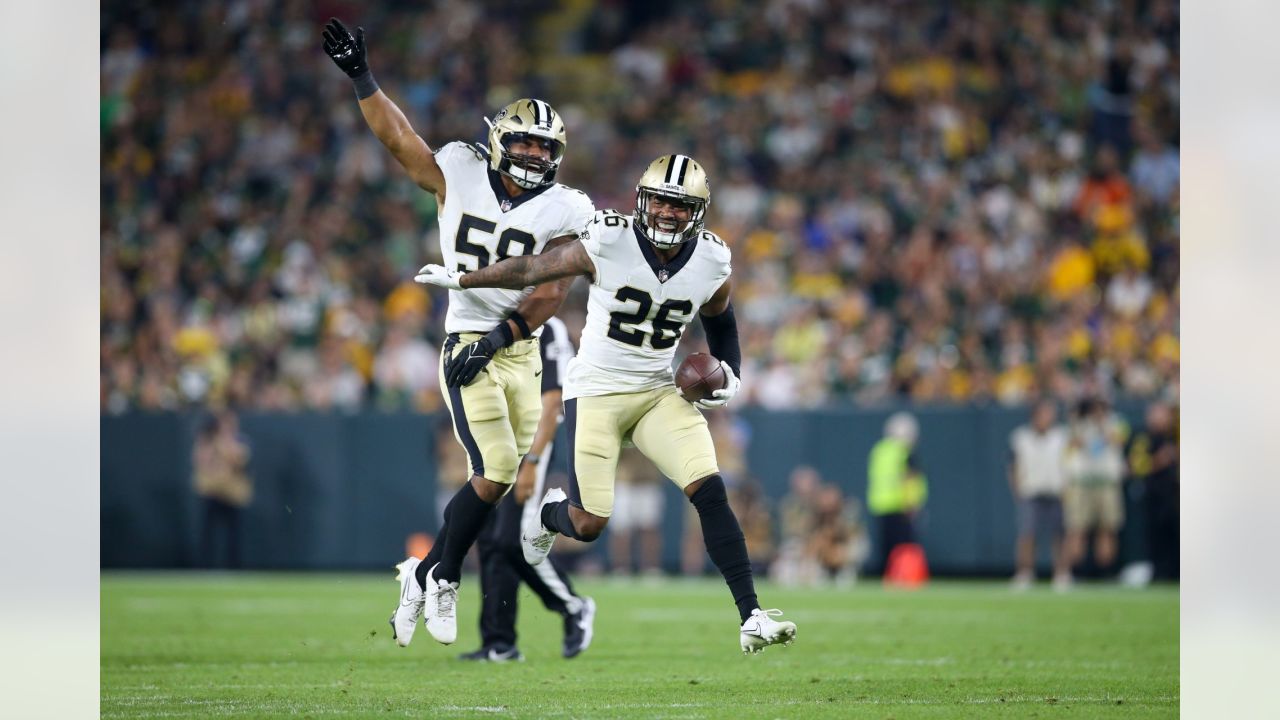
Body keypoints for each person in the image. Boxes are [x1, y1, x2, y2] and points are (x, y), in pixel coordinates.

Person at [415, 154, 798, 654]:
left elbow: (721, 322)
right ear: (642, 200)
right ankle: (551, 516)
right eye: (659, 200)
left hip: (659, 392)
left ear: (698, 212)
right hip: (594, 390)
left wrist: (731, 375)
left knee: (709, 490)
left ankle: (751, 616)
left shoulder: (711, 259)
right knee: (590, 523)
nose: (666, 212)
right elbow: (534, 267)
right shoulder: (608, 238)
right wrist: (466, 280)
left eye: (679, 205)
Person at [322, 18, 596, 648]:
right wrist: (363, 78)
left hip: (517, 346)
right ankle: (442, 576)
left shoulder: (567, 209)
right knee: (496, 468)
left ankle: (419, 573)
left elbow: (551, 291)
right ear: (499, 142)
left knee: (500, 480)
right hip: (463, 340)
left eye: (542, 149)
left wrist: (499, 342)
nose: (533, 157)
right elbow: (398, 141)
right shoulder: (459, 169)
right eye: (523, 144)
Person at [458, 316, 596, 662]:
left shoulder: (549, 327)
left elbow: (554, 401)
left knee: (512, 538)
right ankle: (499, 643)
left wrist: (533, 461)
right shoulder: (487, 320)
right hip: (495, 442)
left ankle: (572, 605)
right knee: (490, 539)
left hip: (528, 443)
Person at [1008, 399, 1072, 591]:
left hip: (1056, 491)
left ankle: (1062, 574)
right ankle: (1025, 573)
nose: (1049, 418)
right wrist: (1017, 489)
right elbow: (1013, 466)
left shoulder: (1062, 436)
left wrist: (1068, 487)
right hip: (1031, 491)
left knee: (1059, 535)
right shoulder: (1020, 437)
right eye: (1045, 414)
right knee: (1027, 534)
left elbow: (1070, 462)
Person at [1063, 396, 1128, 575]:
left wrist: (1102, 427)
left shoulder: (1117, 422)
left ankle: (1106, 572)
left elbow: (1118, 440)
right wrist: (1078, 419)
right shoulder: (1079, 424)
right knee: (1077, 527)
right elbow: (1073, 443)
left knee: (1107, 528)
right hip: (1082, 483)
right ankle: (1073, 572)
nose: (1097, 413)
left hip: (1106, 482)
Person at [866, 412, 927, 574]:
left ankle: (889, 575)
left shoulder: (880, 450)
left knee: (886, 546)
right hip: (900, 504)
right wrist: (912, 503)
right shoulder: (905, 451)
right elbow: (910, 480)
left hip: (880, 503)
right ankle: (902, 575)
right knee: (903, 545)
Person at [193, 410, 252, 568]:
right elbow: (201, 461)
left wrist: (225, 444)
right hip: (212, 492)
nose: (228, 426)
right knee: (207, 532)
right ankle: (203, 566)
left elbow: (239, 460)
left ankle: (234, 567)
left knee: (234, 534)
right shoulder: (208, 440)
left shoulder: (240, 440)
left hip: (232, 494)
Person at [1127, 401, 1179, 580]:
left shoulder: (1175, 436)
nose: (1159, 418)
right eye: (1155, 414)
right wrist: (1159, 460)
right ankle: (1159, 573)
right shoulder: (1143, 438)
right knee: (1156, 537)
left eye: (1162, 414)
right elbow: (1134, 467)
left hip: (1176, 496)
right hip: (1154, 496)